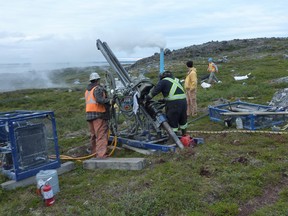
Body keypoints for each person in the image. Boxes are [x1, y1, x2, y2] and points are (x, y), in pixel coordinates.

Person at [146, 71, 188, 136]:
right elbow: (175, 93)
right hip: (183, 102)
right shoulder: (177, 80)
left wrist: (146, 99)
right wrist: (164, 100)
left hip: (174, 105)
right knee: (182, 118)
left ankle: (173, 138)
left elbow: (154, 92)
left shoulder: (163, 81)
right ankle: (184, 135)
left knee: (173, 120)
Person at [85, 72, 111, 158]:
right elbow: (100, 100)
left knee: (93, 135)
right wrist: (109, 100)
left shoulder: (88, 90)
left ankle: (94, 153)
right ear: (97, 80)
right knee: (101, 135)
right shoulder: (98, 88)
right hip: (98, 115)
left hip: (89, 115)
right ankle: (101, 155)